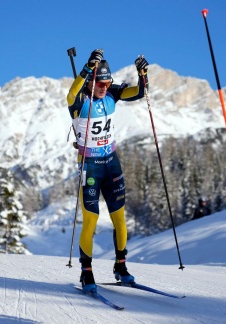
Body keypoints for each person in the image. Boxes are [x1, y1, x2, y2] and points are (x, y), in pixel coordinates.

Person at [66, 49, 149, 293]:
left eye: (107, 82)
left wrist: (143, 74)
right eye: (100, 83)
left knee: (120, 219)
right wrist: (86, 69)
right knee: (90, 220)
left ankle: (121, 267)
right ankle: (86, 272)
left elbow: (141, 92)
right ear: (91, 80)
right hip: (90, 165)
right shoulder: (79, 100)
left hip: (111, 162)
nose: (104, 87)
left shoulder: (112, 92)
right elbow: (70, 92)